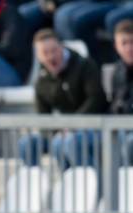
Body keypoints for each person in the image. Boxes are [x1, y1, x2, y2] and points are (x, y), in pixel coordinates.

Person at [18, 29, 107, 170]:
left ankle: (87, 187)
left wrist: (72, 125)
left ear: (62, 47)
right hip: (62, 131)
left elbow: (96, 100)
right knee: (26, 143)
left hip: (90, 127)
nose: (50, 57)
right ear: (38, 56)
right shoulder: (41, 80)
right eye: (44, 53)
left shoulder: (85, 65)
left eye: (53, 50)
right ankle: (35, 187)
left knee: (64, 142)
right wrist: (57, 130)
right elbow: (43, 117)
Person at [110, 19, 133, 164]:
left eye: (132, 42)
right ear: (116, 46)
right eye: (124, 43)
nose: (129, 48)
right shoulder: (117, 71)